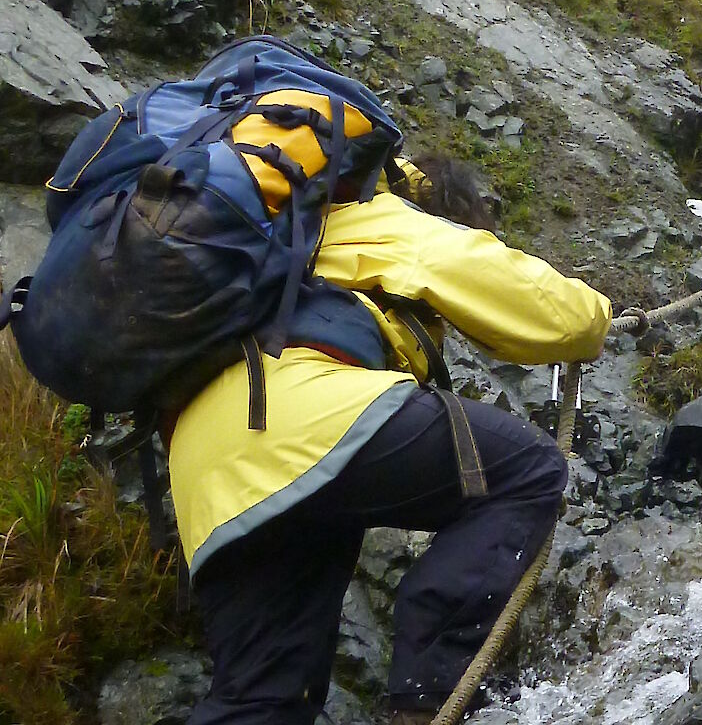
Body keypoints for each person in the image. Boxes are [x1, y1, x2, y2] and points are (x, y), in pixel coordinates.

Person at [168, 159, 612, 725]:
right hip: (303, 416)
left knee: (261, 698)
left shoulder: (279, 238)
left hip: (209, 477)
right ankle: (426, 703)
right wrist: (598, 315)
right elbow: (552, 312)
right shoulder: (377, 216)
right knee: (525, 471)